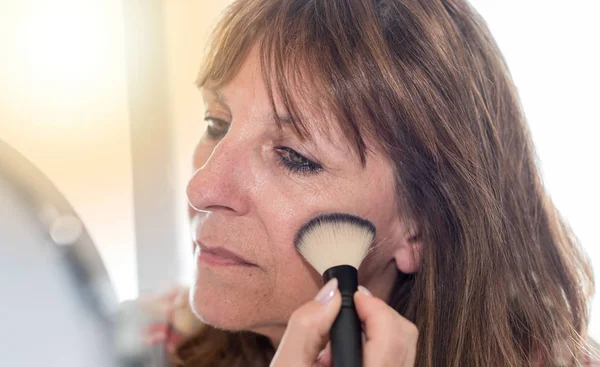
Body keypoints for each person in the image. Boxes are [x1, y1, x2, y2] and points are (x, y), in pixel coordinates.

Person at [146, 0, 600, 365]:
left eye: (294, 157)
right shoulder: (148, 342)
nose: (201, 190)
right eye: (216, 123)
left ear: (420, 224)